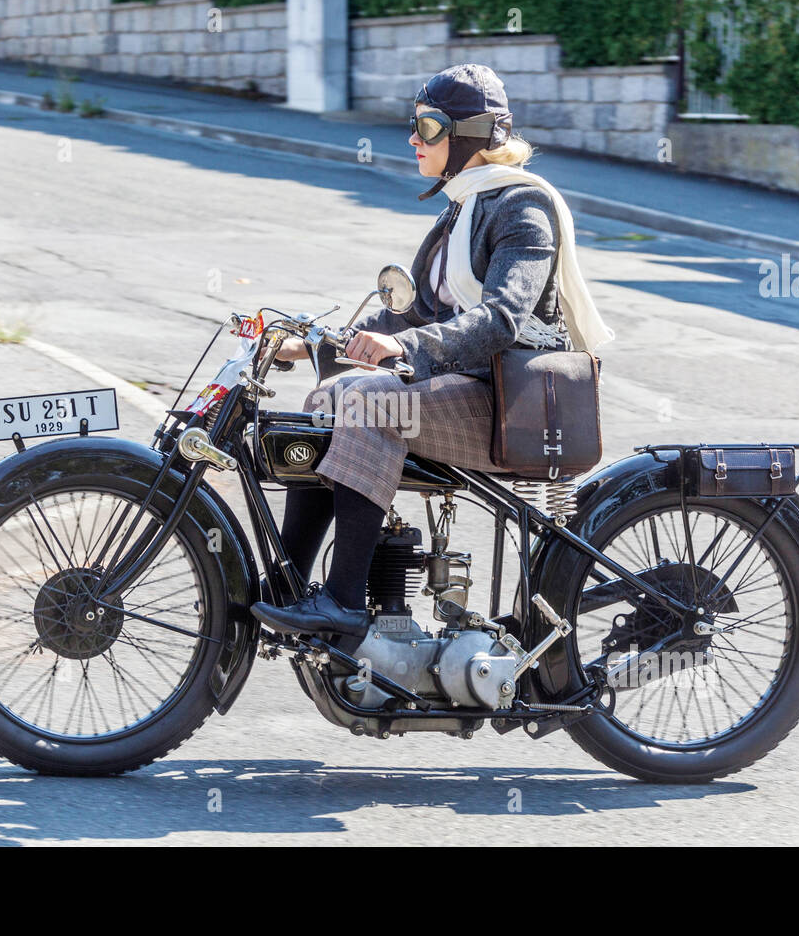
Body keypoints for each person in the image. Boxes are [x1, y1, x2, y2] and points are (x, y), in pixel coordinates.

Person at [250, 64, 612, 638]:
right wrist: (313, 345)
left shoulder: (522, 208)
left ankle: (343, 602)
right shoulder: (464, 205)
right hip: (464, 387)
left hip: (506, 401)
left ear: (466, 135)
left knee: (370, 405)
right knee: (324, 401)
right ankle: (291, 583)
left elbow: (500, 319)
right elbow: (414, 311)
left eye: (428, 126)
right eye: (415, 124)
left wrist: (400, 345)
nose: (414, 138)